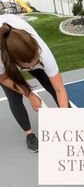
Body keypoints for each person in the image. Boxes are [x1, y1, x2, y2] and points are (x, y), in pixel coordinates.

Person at [0, 14, 71, 153]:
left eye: (37, 61)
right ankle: (29, 134)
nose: (34, 66)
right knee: (14, 98)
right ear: (15, 64)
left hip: (19, 48)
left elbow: (59, 89)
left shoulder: (42, 52)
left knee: (51, 85)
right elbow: (3, 78)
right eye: (28, 67)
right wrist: (29, 94)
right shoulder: (1, 59)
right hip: (6, 65)